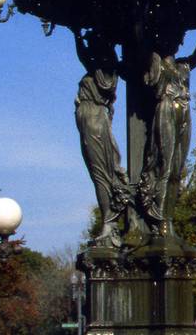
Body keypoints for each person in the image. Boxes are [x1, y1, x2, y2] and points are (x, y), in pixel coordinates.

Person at [138, 25, 196, 236]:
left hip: (184, 110)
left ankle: (168, 219)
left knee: (177, 169)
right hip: (165, 108)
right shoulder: (155, 63)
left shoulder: (183, 67)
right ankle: (157, 220)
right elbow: (141, 42)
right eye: (167, 35)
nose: (173, 40)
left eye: (176, 36)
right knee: (164, 164)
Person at [73, 28, 129, 246]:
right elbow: (85, 56)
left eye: (94, 44)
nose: (90, 49)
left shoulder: (106, 70)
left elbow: (88, 60)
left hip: (95, 123)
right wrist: (77, 35)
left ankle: (110, 220)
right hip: (90, 121)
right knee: (98, 173)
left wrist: (81, 37)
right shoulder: (100, 67)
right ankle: (109, 219)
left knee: (101, 174)